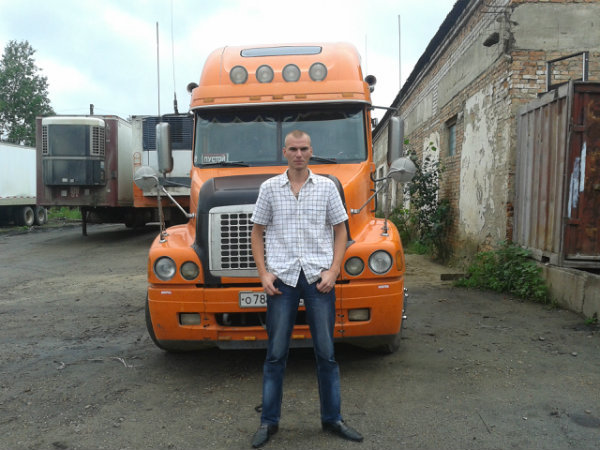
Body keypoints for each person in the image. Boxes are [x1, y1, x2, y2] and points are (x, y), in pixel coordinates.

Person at [250, 130, 363, 448]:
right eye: (293, 149)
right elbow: (257, 232)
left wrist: (334, 270)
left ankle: (333, 419)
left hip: (318, 280)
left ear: (311, 151)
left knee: (326, 354)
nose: (298, 154)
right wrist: (263, 273)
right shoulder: (269, 188)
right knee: (275, 354)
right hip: (282, 280)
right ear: (284, 152)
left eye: (303, 149)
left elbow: (341, 231)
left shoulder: (326, 187)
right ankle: (268, 422)